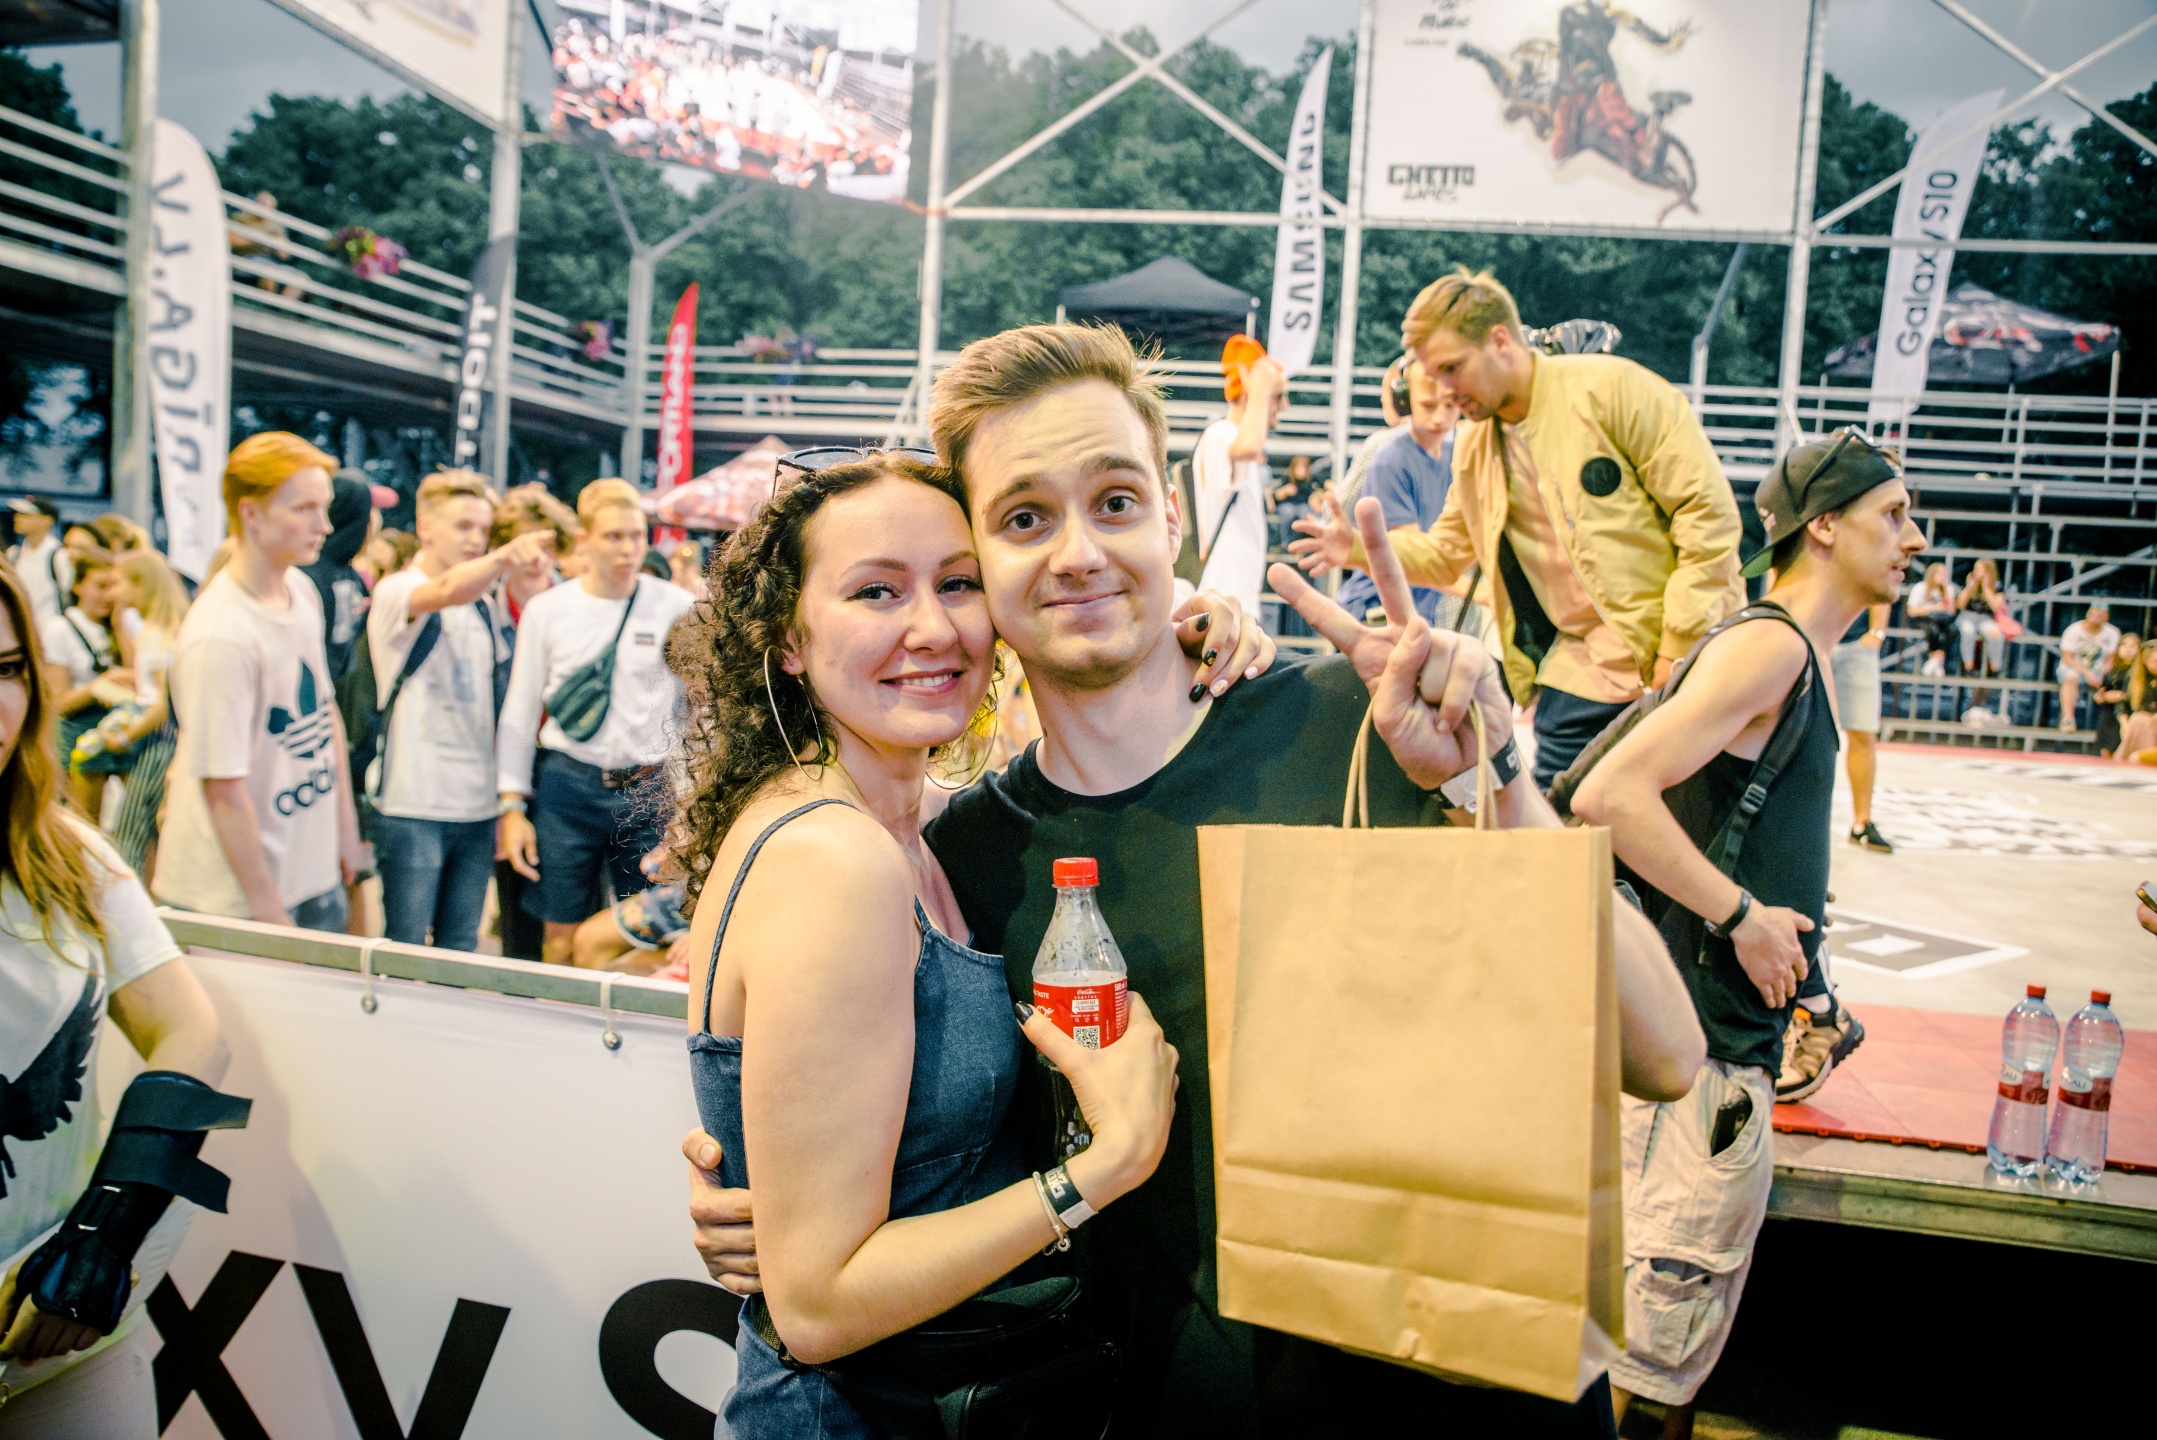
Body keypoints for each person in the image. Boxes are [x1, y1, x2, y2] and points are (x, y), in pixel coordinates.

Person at [685, 323, 1707, 1437]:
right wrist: (756, 1203)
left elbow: (1663, 1055)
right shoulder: (963, 861)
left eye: (1115, 501)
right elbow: (893, 1170)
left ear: (1171, 515)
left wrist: (1495, 777)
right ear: (980, 566)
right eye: (1024, 519)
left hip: (1477, 1394)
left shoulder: (1370, 727)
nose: (1079, 552)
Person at [1570, 429, 1924, 1427]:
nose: (1915, 537)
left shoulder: (1794, 654)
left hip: (1711, 1053)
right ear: (1825, 526)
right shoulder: (1771, 647)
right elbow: (1608, 796)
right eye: (1893, 514)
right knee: (1643, 1380)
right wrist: (1742, 918)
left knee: (1656, 1368)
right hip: (1693, 1069)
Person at [1290, 267, 1744, 789]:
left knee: (1691, 824)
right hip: (1579, 672)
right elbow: (1445, 555)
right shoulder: (1475, 447)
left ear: (1501, 341)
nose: (1445, 390)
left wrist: (1677, 649)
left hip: (1687, 658)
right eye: (1433, 376)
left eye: (1452, 368)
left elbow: (1707, 517)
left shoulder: (1613, 389)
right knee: (1563, 827)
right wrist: (1354, 548)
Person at [0, 559, 244, 1440]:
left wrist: (108, 1225)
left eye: (7, 669)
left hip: (56, 1330)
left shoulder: (64, 852)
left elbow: (191, 1031)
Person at [151, 432, 370, 932]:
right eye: (305, 509)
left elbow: (326, 715)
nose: (324, 525)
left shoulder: (300, 589)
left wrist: (344, 830)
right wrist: (268, 910)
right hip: (231, 898)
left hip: (308, 871)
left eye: (324, 507)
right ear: (251, 513)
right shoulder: (221, 634)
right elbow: (222, 787)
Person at [496, 479, 697, 966]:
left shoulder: (674, 605)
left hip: (648, 789)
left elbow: (695, 710)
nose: (628, 548)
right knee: (559, 933)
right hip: (568, 786)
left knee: (647, 932)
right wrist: (511, 806)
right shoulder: (549, 610)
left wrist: (689, 803)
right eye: (613, 536)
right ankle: (558, 1015)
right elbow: (520, 710)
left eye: (636, 535)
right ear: (584, 540)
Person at [368, 470, 556, 954]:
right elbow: (445, 590)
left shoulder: (483, 607)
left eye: (483, 529)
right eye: (463, 526)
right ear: (425, 526)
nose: (475, 539)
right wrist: (503, 557)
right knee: (405, 946)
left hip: (476, 806)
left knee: (460, 948)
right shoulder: (398, 589)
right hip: (412, 803)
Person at [486, 484, 581, 962]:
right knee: (516, 886)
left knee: (571, 897)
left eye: (545, 546)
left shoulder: (575, 602)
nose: (535, 559)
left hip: (565, 764)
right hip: (501, 759)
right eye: (523, 546)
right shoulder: (482, 607)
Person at [1328, 358, 1459, 626]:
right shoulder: (1389, 456)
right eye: (1429, 406)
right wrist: (1483, 593)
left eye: (1450, 405)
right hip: (1379, 610)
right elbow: (1413, 557)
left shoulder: (1455, 454)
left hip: (1423, 609)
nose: (1440, 417)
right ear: (1405, 403)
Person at [105, 551, 188, 875]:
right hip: (164, 736)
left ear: (139, 584)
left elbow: (164, 703)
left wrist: (126, 736)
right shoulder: (162, 629)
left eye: (118, 583)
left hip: (158, 738)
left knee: (131, 829)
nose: (113, 591)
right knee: (152, 827)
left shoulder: (156, 635)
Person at [36, 546, 135, 821]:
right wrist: (100, 686)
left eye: (115, 586)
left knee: (136, 818)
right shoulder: (60, 629)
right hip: (80, 733)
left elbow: (139, 677)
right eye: (101, 586)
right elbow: (58, 703)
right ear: (78, 586)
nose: (109, 595)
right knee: (86, 822)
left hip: (123, 731)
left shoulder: (120, 624)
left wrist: (119, 626)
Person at [1190, 334, 1284, 617]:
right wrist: (1260, 389)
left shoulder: (1227, 436)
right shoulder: (1222, 433)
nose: (1283, 406)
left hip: (1233, 594)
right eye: (1278, 397)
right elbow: (1250, 445)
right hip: (1227, 594)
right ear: (1248, 395)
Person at [300, 470, 391, 686]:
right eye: (372, 509)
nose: (376, 519)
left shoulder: (349, 573)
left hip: (336, 692)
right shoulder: (307, 574)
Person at [1834, 601, 1894, 853]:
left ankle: (1862, 822)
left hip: (1855, 643)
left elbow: (1881, 583)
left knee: (1862, 730)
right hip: (1810, 637)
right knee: (1796, 731)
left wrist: (1876, 632)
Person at [1955, 557, 2008, 721]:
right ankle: (1968, 662)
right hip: (1968, 617)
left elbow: (1996, 606)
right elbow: (1960, 604)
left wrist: (1986, 587)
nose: (1978, 573)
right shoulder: (1969, 583)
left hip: (1985, 618)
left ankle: (1995, 664)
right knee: (1968, 631)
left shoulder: (1996, 586)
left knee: (1995, 634)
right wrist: (1970, 587)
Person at [7, 496, 72, 629]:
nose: (17, 518)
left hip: (50, 633)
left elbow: (68, 598)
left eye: (26, 515)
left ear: (46, 520)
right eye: (18, 514)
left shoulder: (60, 556)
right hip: (22, 631)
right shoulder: (13, 554)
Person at [2056, 601, 2120, 734]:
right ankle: (2068, 719)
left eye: (2100, 614)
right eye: (2093, 613)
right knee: (2071, 678)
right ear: (2088, 613)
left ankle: (2112, 725)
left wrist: (2104, 674)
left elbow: (2111, 660)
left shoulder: (2113, 633)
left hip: (2098, 670)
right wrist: (2087, 673)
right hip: (2074, 668)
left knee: (2114, 681)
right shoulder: (2073, 630)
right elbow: (2067, 658)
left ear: (2106, 617)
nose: (2096, 617)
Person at [2093, 633, 2142, 758]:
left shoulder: (2141, 672)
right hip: (2110, 711)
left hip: (2130, 710)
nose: (2128, 649)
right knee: (2106, 716)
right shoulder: (2111, 670)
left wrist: (2121, 696)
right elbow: (2102, 691)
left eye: (2132, 646)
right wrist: (2100, 697)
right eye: (2124, 645)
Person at [1905, 561, 1956, 676]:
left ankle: (1935, 660)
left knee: (1953, 630)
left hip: (1942, 619)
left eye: (1944, 574)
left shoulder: (1948, 589)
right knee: (1933, 630)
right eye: (1940, 573)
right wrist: (1933, 607)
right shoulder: (1920, 587)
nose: (1942, 576)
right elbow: (1911, 611)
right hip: (1923, 619)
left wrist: (1947, 592)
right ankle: (1937, 661)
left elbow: (1951, 612)